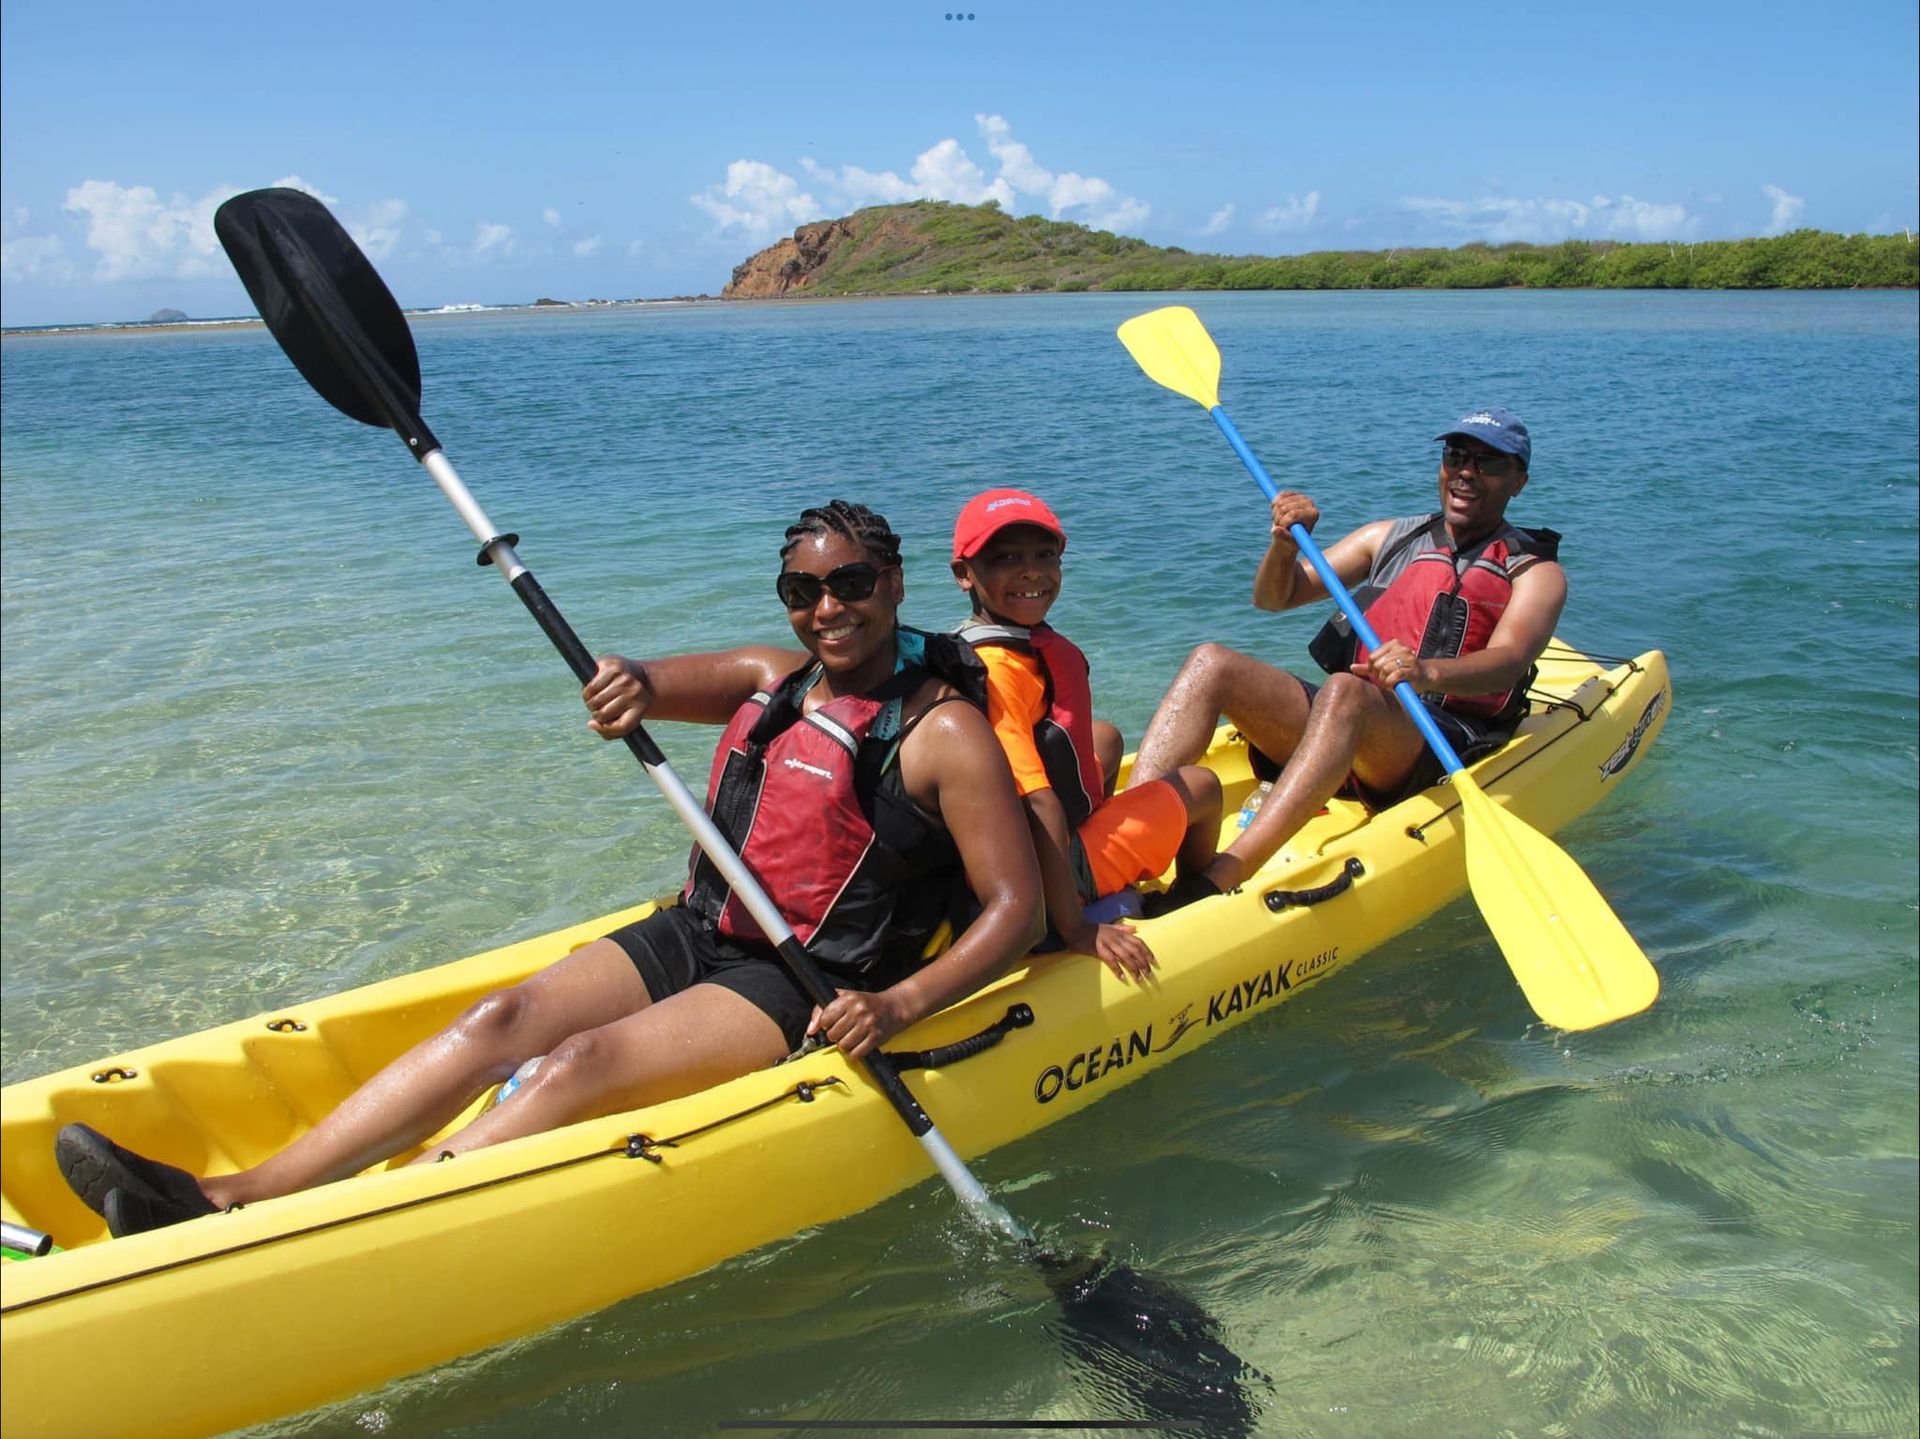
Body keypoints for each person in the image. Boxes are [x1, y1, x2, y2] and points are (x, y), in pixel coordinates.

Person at [56, 500, 1043, 1238]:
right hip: (702, 925)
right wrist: (624, 684)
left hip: (804, 978)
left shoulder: (943, 731)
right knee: (499, 1021)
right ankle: (230, 1193)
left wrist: (898, 1005)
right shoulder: (767, 677)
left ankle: (358, 1222)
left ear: (896, 583)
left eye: (852, 583)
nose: (828, 607)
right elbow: (647, 683)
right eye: (803, 590)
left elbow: (1013, 907)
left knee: (576, 1066)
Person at [1126, 408, 1567, 910]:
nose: (1466, 471)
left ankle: (1219, 876)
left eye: (1488, 463)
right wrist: (1283, 546)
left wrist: (1425, 673)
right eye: (1456, 456)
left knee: (1346, 690)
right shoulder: (1391, 537)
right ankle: (1123, 841)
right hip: (1356, 719)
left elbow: (1510, 659)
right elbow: (1275, 597)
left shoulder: (1533, 571)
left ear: (1519, 482)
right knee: (1212, 663)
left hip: (1442, 736)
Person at [949, 488, 1222, 980]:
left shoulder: (984, 645)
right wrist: (1076, 930)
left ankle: (1097, 867)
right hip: (1032, 866)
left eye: (1044, 555)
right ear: (964, 574)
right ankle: (1186, 897)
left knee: (1105, 737)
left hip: (1013, 842)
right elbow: (1039, 805)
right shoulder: (997, 671)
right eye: (1006, 558)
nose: (1032, 571)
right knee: (1201, 785)